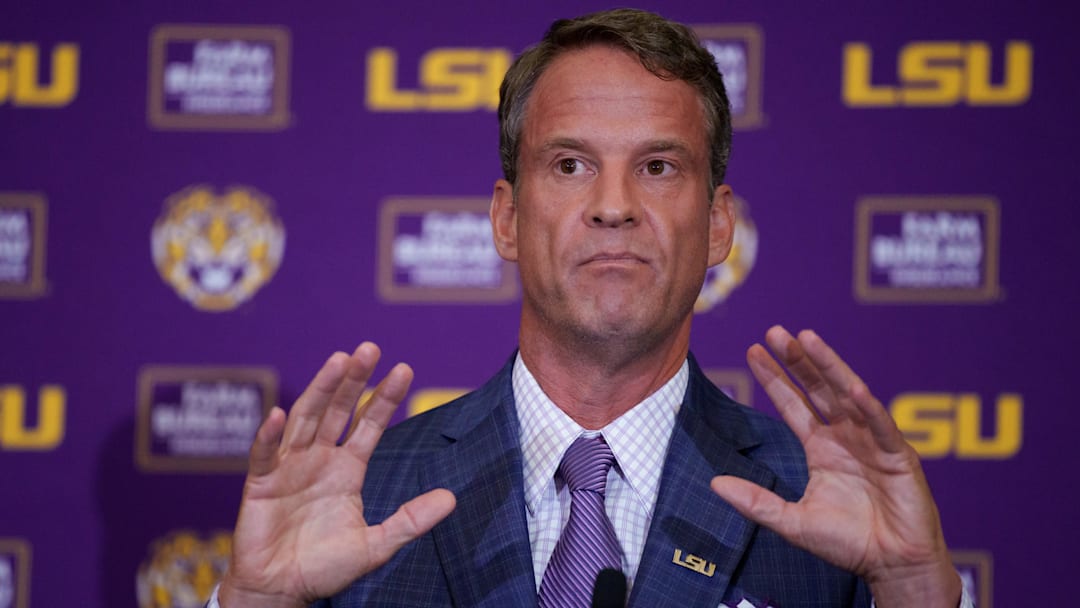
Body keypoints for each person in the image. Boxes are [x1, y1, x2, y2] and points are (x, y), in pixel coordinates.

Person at [213, 8, 969, 608]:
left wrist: (912, 592)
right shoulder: (362, 494)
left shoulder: (821, 500)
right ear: (507, 219)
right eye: (571, 165)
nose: (614, 207)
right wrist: (255, 602)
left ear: (717, 226)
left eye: (658, 166)